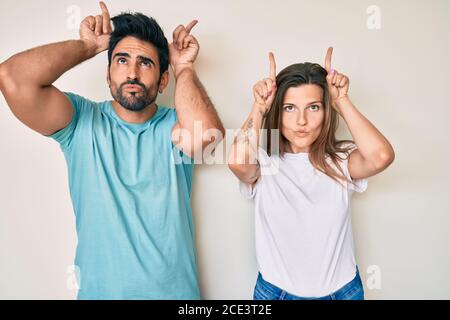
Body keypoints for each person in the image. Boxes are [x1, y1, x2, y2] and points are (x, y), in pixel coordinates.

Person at [0, 2, 224, 300]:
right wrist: (87, 46)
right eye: (121, 60)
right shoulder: (79, 120)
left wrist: (183, 67)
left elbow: (206, 138)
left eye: (145, 63)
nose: (132, 72)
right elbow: (12, 80)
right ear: (107, 75)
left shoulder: (176, 125)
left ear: (163, 79)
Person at [228, 48, 395, 300]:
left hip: (343, 291)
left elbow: (381, 156)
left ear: (326, 112)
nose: (302, 121)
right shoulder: (264, 162)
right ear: (277, 111)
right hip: (275, 293)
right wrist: (259, 108)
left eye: (314, 107)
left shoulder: (341, 160)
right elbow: (237, 163)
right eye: (289, 108)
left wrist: (341, 101)